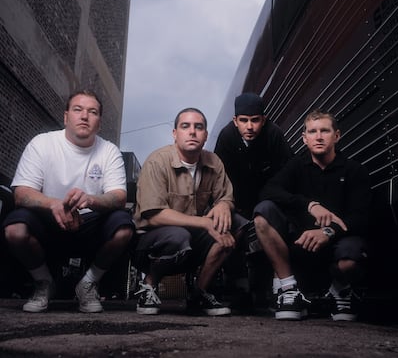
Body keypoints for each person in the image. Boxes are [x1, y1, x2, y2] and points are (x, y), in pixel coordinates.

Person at [2, 90, 135, 313]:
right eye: (78, 110)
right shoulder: (42, 144)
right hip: (49, 220)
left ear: (99, 122)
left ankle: (88, 283)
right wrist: (53, 204)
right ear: (66, 117)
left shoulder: (109, 150)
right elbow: (22, 193)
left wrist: (91, 199)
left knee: (123, 226)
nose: (84, 116)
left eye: (92, 112)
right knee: (15, 229)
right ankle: (44, 282)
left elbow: (119, 197)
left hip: (90, 223)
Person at [258, 109, 371, 321]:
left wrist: (328, 231)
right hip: (302, 243)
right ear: (304, 138)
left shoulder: (354, 170)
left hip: (338, 242)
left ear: (336, 135)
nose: (318, 137)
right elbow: (269, 191)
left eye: (324, 131)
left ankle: (341, 290)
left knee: (350, 260)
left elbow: (362, 216)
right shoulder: (296, 166)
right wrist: (309, 205)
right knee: (263, 211)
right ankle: (289, 289)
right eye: (312, 131)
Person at [134, 107, 247, 316]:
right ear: (175, 133)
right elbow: (154, 215)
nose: (192, 131)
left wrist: (224, 205)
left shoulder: (214, 162)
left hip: (191, 241)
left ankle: (199, 293)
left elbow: (227, 197)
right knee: (179, 235)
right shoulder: (157, 161)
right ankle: (148, 286)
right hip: (150, 244)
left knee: (236, 222)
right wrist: (205, 223)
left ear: (205, 135)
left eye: (199, 127)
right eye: (185, 126)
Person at [214, 92, 293, 305]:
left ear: (263, 120)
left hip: (267, 198)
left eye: (255, 120)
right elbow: (219, 178)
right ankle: (236, 283)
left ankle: (276, 283)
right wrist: (228, 204)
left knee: (268, 218)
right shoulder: (227, 136)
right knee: (227, 224)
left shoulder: (274, 135)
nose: (250, 126)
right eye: (244, 121)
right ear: (235, 121)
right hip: (237, 200)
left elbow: (288, 174)